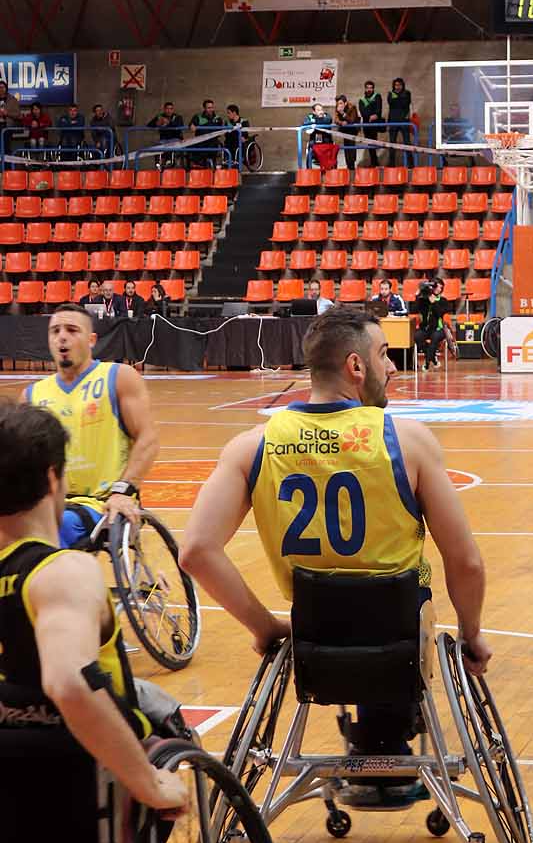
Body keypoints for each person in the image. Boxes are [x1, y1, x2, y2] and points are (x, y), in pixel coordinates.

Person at [179, 308, 489, 810]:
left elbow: (195, 551)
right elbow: (467, 562)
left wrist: (263, 627)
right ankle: (392, 740)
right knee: (407, 615)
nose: (393, 367)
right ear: (356, 366)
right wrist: (472, 635)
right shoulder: (406, 441)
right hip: (401, 631)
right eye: (385, 354)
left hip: (315, 633)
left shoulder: (252, 446)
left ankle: (365, 742)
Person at [0, 404, 187, 815]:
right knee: (163, 717)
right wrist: (147, 783)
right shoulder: (61, 572)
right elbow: (69, 684)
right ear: (53, 477)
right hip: (80, 790)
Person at [24, 303, 160, 548]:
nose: (62, 337)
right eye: (55, 331)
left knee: (56, 527)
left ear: (91, 339)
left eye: (72, 330)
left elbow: (148, 439)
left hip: (103, 503)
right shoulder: (33, 395)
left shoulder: (118, 377)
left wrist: (124, 491)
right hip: (49, 504)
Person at [415, 277, 449, 368]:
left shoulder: (443, 300)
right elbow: (416, 309)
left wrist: (433, 302)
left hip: (439, 328)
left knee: (435, 337)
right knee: (417, 336)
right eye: (437, 287)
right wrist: (417, 296)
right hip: (426, 328)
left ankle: (426, 362)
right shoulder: (424, 299)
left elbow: (439, 313)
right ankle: (432, 357)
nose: (439, 289)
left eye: (441, 287)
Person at [386, 78, 414, 169]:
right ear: (394, 86)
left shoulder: (407, 93)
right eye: (396, 85)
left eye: (399, 85)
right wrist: (400, 99)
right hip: (393, 121)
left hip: (404, 122)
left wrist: (398, 99)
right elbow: (391, 103)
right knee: (392, 143)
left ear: (403, 85)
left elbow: (406, 103)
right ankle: (391, 164)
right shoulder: (390, 94)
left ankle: (411, 164)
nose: (398, 87)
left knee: (407, 143)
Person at [189, 98, 224, 167]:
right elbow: (191, 126)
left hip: (213, 142)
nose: (211, 109)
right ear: (204, 108)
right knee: (191, 146)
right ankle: (199, 163)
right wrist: (192, 125)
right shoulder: (198, 117)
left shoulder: (218, 118)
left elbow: (221, 131)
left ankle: (211, 165)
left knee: (216, 145)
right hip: (201, 141)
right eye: (208, 108)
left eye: (212, 107)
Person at [303, 102, 336, 171]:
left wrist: (315, 122)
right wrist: (318, 121)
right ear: (314, 112)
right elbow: (305, 123)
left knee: (332, 151)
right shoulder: (310, 116)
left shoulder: (327, 115)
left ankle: (332, 172)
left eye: (321, 109)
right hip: (314, 143)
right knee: (309, 152)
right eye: (318, 110)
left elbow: (328, 120)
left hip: (326, 142)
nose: (321, 111)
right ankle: (309, 173)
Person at [357, 80, 383, 167]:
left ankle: (375, 163)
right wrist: (371, 115)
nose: (369, 89)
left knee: (374, 143)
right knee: (369, 143)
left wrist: (375, 114)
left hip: (375, 125)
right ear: (365, 88)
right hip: (366, 125)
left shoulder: (377, 97)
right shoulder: (361, 100)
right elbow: (363, 112)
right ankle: (374, 163)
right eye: (367, 88)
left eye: (371, 88)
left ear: (373, 89)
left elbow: (378, 109)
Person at [334, 94, 362, 172]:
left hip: (353, 129)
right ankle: (348, 165)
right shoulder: (337, 108)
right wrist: (341, 122)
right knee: (346, 147)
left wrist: (343, 113)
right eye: (338, 103)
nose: (339, 105)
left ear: (345, 103)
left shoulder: (352, 107)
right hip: (344, 129)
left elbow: (352, 120)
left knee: (351, 146)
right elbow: (335, 120)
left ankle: (352, 165)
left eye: (341, 103)